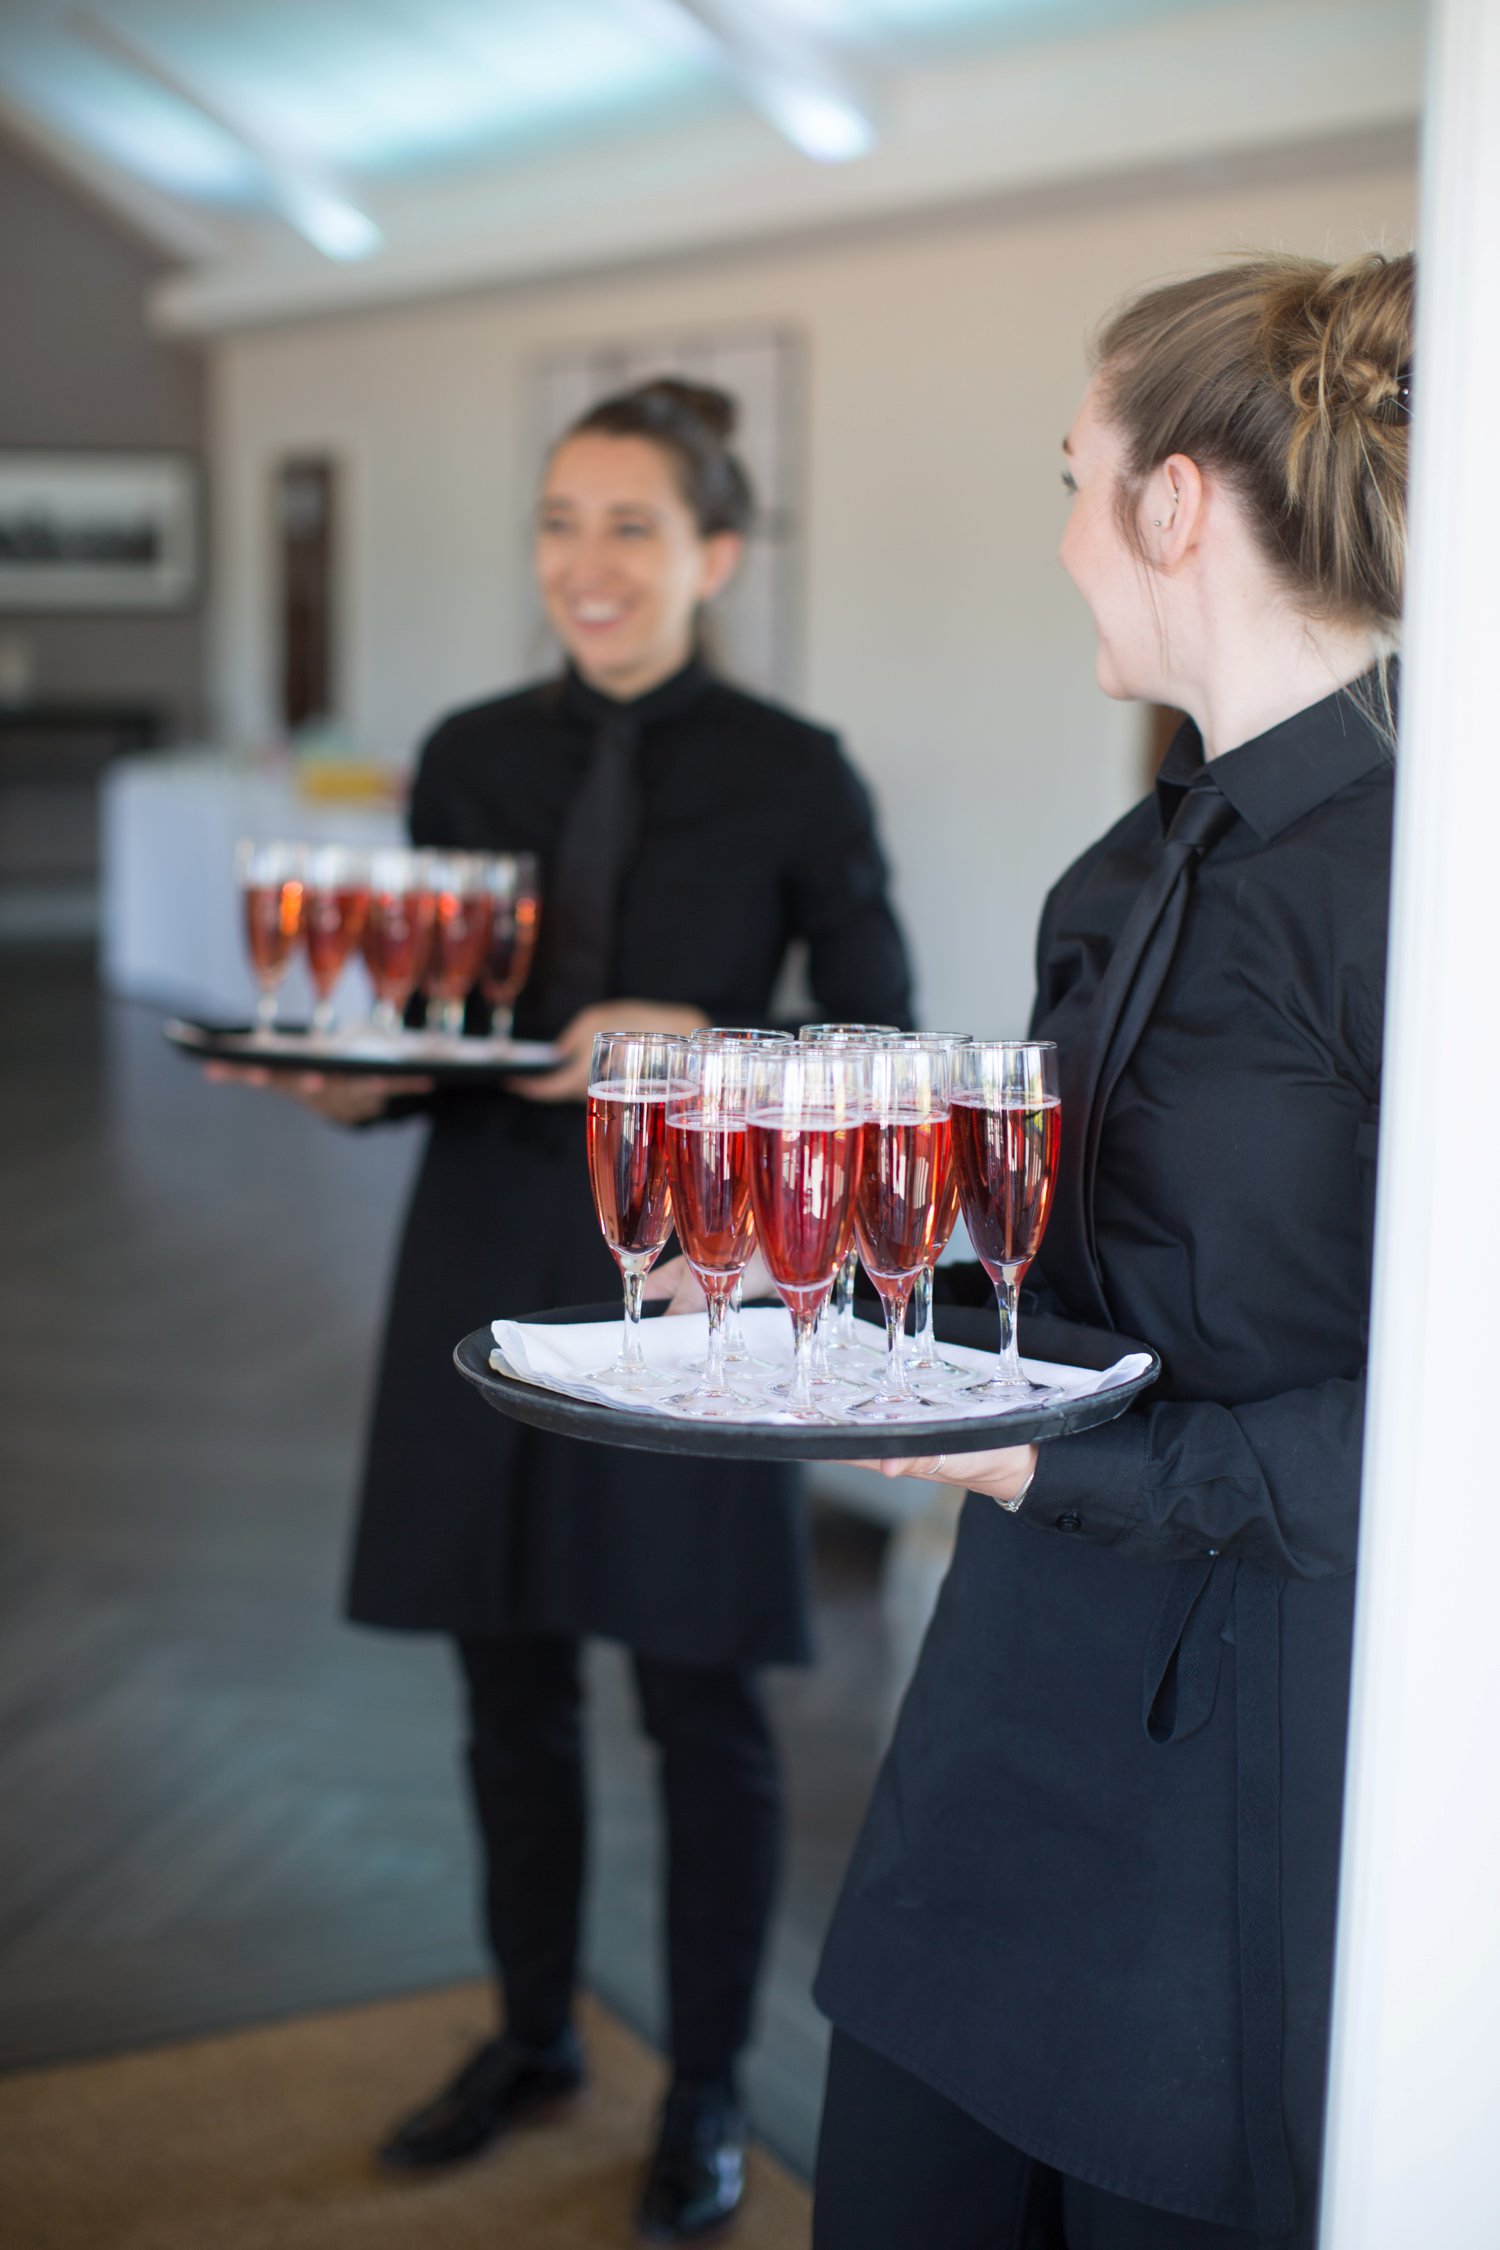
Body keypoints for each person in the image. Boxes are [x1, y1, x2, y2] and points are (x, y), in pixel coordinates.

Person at [220, 378, 911, 2241]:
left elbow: (880, 1036)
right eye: (557, 523)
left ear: (715, 553)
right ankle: (533, 2034)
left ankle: (705, 2086)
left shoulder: (797, 771)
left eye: (629, 526)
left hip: (691, 1277)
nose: (583, 564)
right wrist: (363, 1083)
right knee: (504, 1680)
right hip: (485, 1249)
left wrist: (702, 1037)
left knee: (702, 1697)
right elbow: (446, 1033)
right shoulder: (465, 754)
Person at [806, 252, 1411, 2247]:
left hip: (1258, 1766)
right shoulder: (1119, 873)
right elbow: (1062, 1282)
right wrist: (830, 1288)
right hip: (1003, 1697)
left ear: (1170, 504)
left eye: (1074, 483)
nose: (1065, 542)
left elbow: (1451, 1433)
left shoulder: (1432, 887)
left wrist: (1066, 1464)